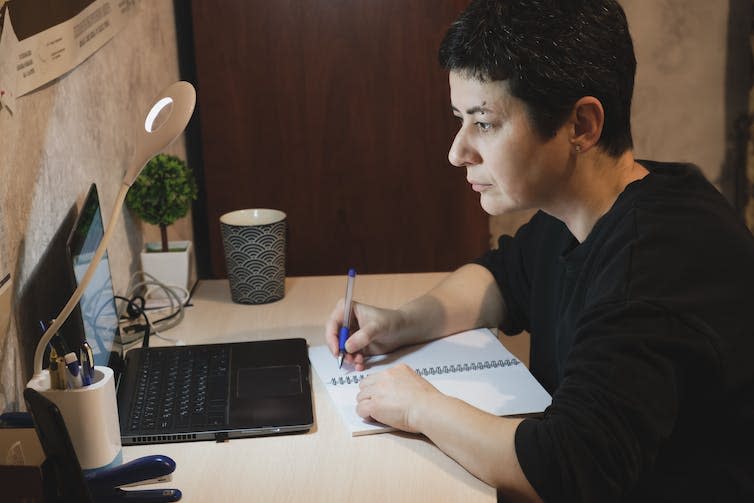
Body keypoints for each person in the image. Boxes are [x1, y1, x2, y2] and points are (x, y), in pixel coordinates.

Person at [325, 0, 754, 501]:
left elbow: (566, 469)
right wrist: (399, 322)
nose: (457, 151)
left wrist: (422, 407)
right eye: (459, 119)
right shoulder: (581, 208)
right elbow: (505, 278)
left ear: (581, 126)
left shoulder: (654, 266)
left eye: (483, 123)